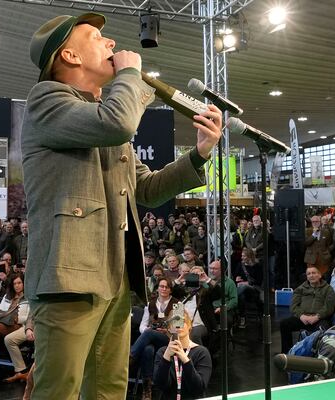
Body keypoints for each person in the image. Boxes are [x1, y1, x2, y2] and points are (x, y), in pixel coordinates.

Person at [20, 13, 222, 400]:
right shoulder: (47, 100)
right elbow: (119, 122)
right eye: (97, 37)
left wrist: (198, 155)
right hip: (69, 281)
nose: (112, 44)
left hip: (114, 277)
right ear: (70, 56)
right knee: (58, 391)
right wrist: (131, 75)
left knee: (110, 389)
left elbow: (146, 188)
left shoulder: (103, 117)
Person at [130, 277, 178, 400]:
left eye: (166, 287)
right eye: (161, 286)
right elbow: (142, 326)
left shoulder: (178, 304)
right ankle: (147, 389)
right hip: (151, 338)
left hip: (169, 338)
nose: (163, 289)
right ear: (157, 288)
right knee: (147, 350)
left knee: (148, 333)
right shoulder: (150, 304)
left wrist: (166, 330)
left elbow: (179, 328)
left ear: (170, 290)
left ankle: (131, 357)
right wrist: (148, 331)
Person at [153, 310, 212, 399]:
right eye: (174, 322)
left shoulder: (202, 352)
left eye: (182, 321)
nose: (178, 326)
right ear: (169, 328)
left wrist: (185, 359)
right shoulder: (162, 352)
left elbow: (199, 388)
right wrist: (166, 358)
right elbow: (161, 385)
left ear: (189, 325)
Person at [280, 266, 335, 353]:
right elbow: (293, 306)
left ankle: (320, 354)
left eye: (314, 273)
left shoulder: (328, 289)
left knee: (324, 329)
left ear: (320, 275)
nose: (311, 275)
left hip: (319, 319)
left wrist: (317, 316)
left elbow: (329, 307)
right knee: (284, 324)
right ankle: (287, 352)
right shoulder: (300, 289)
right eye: (309, 274)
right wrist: (301, 315)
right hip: (303, 318)